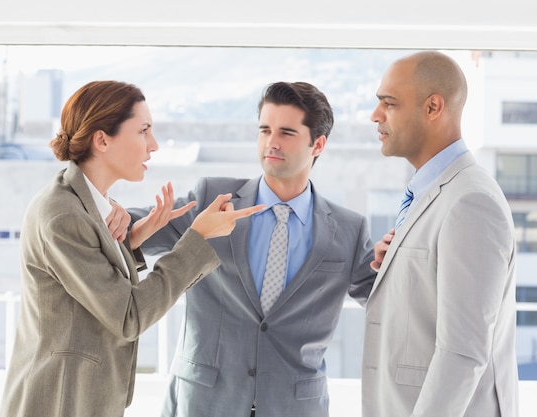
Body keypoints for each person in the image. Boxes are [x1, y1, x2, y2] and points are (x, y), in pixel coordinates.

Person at [0, 80, 264, 417]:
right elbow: (128, 317)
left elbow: (90, 281)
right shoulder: (63, 215)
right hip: (60, 401)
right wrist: (196, 240)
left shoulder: (87, 204)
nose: (153, 145)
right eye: (143, 131)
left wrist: (129, 241)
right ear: (102, 139)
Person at [128, 81, 377, 417]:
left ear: (317, 144)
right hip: (204, 403)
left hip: (294, 407)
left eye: (287, 132)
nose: (271, 143)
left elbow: (385, 301)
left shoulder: (348, 229)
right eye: (265, 130)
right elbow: (135, 231)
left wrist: (398, 260)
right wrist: (99, 209)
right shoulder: (212, 200)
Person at [363, 51, 519, 416]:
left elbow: (462, 353)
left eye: (389, 104)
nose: (375, 116)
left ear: (433, 107)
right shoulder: (430, 193)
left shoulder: (471, 201)